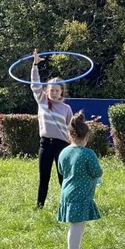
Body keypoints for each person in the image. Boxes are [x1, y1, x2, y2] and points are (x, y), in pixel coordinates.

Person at [31, 49, 74, 209]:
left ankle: (66, 206)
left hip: (62, 145)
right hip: (45, 144)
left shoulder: (66, 108)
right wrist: (35, 65)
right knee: (44, 176)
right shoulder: (42, 101)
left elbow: (71, 130)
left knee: (62, 177)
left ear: (61, 91)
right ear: (47, 91)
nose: (54, 93)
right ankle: (39, 206)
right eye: (51, 90)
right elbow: (35, 85)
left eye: (57, 90)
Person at [57, 112, 103, 249]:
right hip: (80, 194)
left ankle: (76, 248)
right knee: (77, 226)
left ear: (70, 135)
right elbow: (97, 171)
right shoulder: (88, 153)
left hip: (67, 192)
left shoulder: (64, 152)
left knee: (76, 224)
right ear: (87, 136)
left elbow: (61, 170)